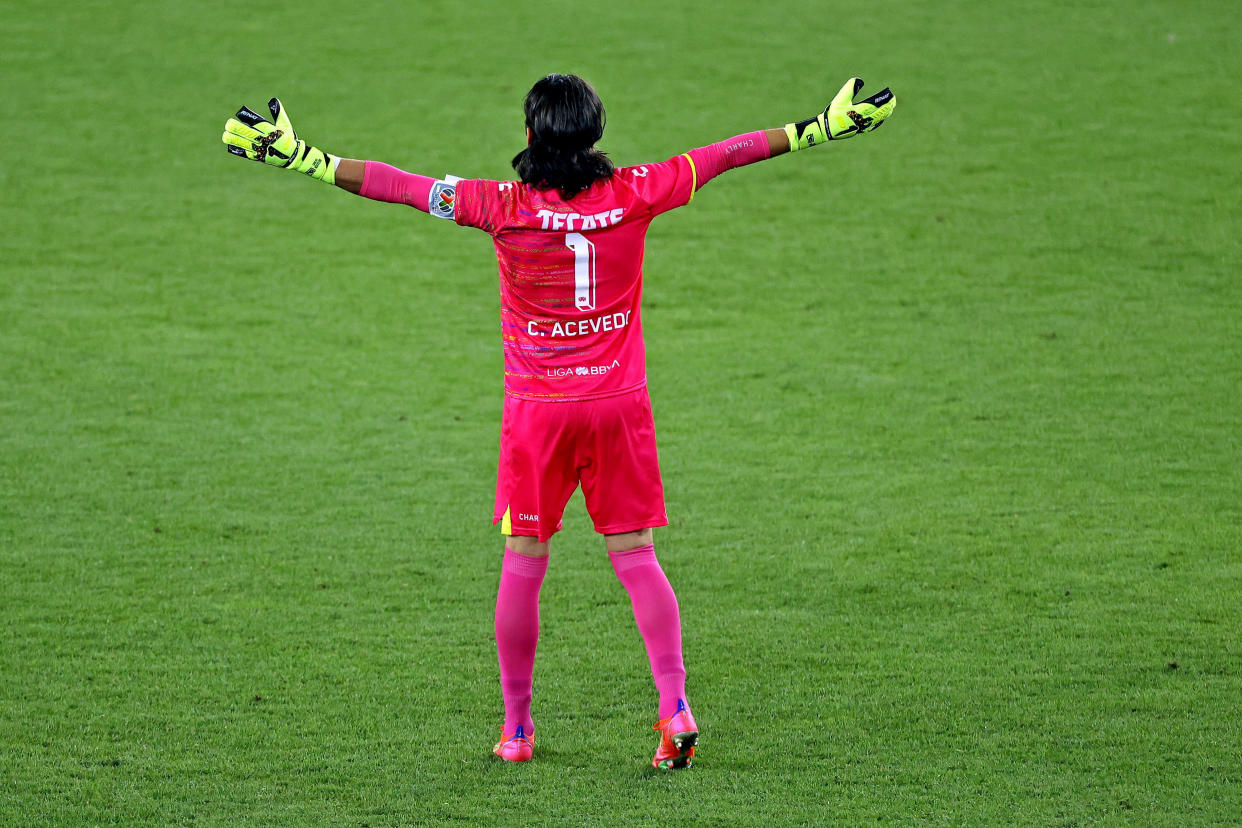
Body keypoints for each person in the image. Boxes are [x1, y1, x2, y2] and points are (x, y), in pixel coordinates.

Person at [221, 74, 895, 770]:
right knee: (636, 558)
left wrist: (303, 157)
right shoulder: (639, 191)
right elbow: (726, 153)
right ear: (595, 136)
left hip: (539, 416)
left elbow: (397, 184)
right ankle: (675, 707)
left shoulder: (497, 205)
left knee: (524, 563)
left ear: (530, 137)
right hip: (618, 406)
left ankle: (517, 731)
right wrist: (819, 127)